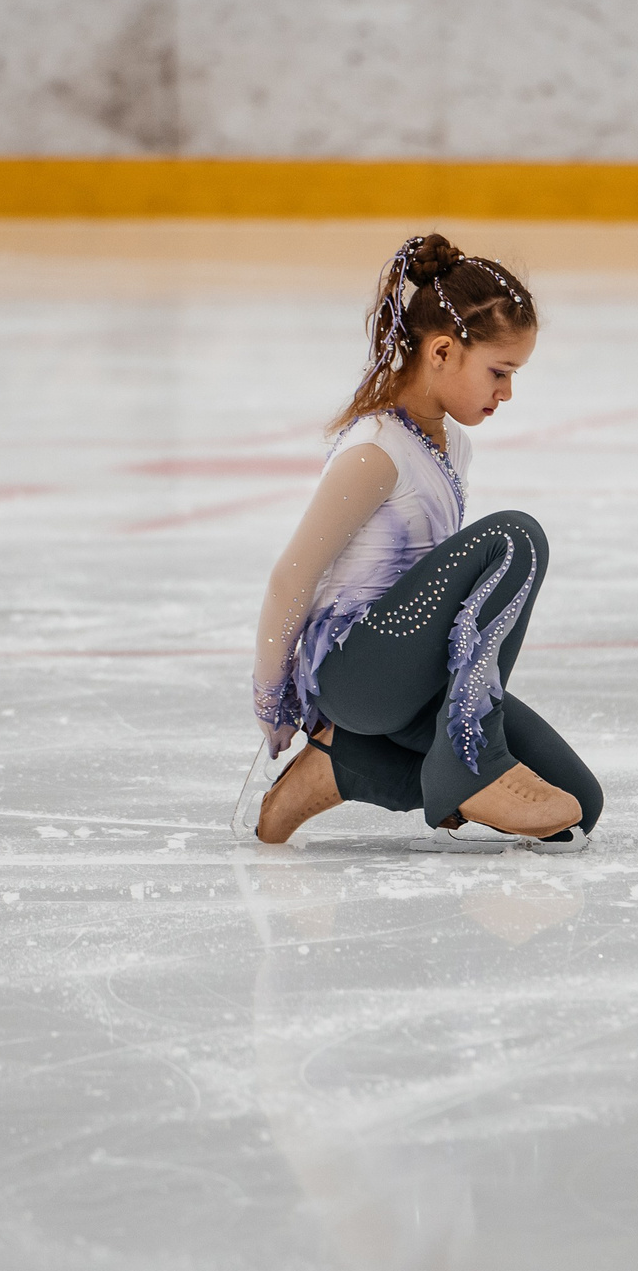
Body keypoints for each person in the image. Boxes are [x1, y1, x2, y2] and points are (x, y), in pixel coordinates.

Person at [244, 232, 602, 852]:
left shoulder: (453, 446)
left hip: (412, 677)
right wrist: (273, 697)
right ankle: (468, 751)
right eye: (499, 371)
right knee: (515, 539)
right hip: (355, 672)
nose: (507, 393)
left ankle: (342, 765)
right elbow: (291, 578)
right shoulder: (376, 451)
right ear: (442, 352)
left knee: (576, 804)